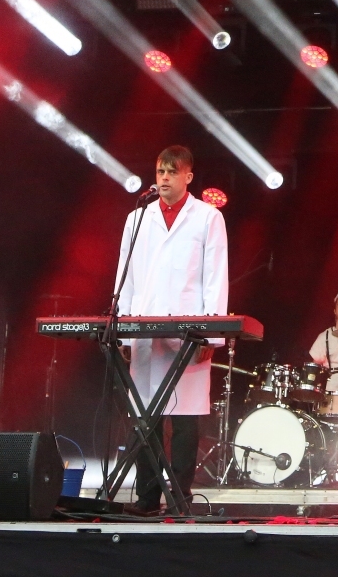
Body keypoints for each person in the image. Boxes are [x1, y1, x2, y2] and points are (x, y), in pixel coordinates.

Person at [113, 147, 228, 512]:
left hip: (188, 331)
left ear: (187, 177)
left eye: (171, 172)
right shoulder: (138, 218)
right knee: (145, 417)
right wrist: (123, 329)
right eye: (160, 171)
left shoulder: (207, 217)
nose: (163, 178)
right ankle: (147, 498)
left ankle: (180, 497)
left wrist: (211, 333)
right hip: (145, 328)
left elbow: (216, 277)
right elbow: (126, 276)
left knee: (184, 417)